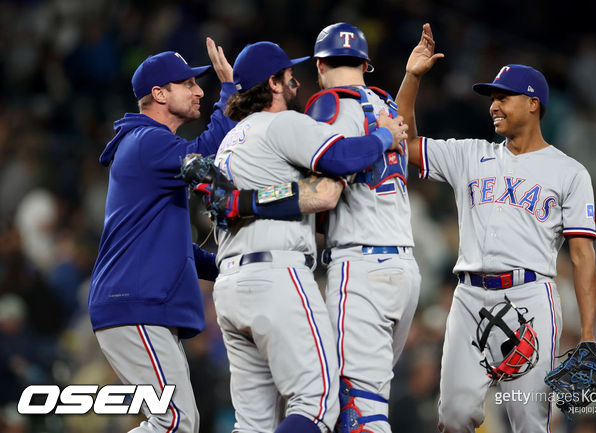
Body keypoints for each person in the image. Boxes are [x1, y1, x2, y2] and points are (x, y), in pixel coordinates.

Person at [396, 24, 596, 433]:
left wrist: (590, 335)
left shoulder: (569, 173)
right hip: (469, 297)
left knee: (529, 422)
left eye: (502, 97)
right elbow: (401, 143)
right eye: (492, 98)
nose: (494, 105)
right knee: (453, 416)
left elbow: (582, 256)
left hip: (531, 297)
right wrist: (412, 77)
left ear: (533, 103)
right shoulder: (470, 154)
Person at [211, 40, 408, 433]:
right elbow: (339, 160)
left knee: (253, 424)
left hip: (230, 283)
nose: (295, 80)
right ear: (273, 82)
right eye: (288, 74)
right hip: (275, 275)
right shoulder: (282, 123)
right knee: (316, 405)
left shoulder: (229, 140)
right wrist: (384, 136)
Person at [88, 38, 236, 433]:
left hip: (135, 305)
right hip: (134, 304)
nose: (200, 90)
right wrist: (231, 94)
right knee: (175, 422)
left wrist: (224, 264)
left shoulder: (147, 146)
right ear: (159, 93)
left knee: (177, 421)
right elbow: (208, 155)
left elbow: (173, 248)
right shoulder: (147, 141)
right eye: (188, 83)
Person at [302, 23, 422, 433]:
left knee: (359, 409)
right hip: (404, 268)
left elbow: (331, 166)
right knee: (363, 398)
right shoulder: (389, 106)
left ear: (320, 65)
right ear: (365, 64)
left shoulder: (327, 105)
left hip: (361, 266)